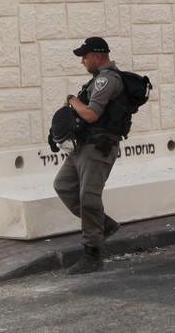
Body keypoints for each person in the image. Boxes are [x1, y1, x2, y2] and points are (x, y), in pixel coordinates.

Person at [51, 36, 124, 275]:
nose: (82, 61)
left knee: (89, 198)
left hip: (98, 147)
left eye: (85, 56)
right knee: (63, 186)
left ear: (98, 56)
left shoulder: (107, 80)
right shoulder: (96, 80)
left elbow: (92, 115)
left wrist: (72, 100)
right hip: (83, 146)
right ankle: (104, 225)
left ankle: (92, 255)